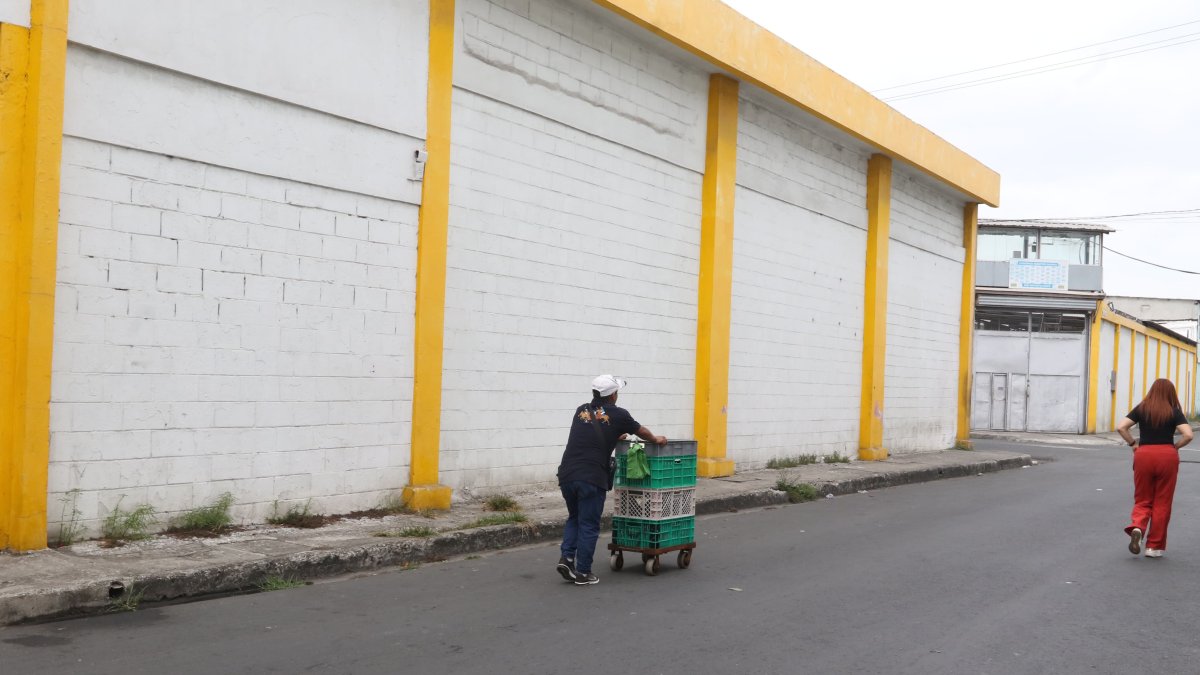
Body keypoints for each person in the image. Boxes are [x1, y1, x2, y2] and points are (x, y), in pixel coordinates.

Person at [555, 374, 667, 585]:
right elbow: (641, 431)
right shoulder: (619, 414)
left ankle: (567, 559)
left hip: (567, 474)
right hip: (590, 477)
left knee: (575, 518)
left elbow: (588, 437)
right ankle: (583, 572)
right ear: (613, 395)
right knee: (589, 524)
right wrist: (656, 439)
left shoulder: (581, 410)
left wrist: (613, 436)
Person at [1116, 378, 1194, 558]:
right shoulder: (1173, 412)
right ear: (1170, 393)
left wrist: (1133, 444)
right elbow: (1188, 435)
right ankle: (1153, 547)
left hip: (1144, 454)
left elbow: (1121, 427)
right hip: (1167, 456)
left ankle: (1138, 527)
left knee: (1142, 498)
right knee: (1162, 501)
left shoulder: (1142, 408)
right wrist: (1175, 447)